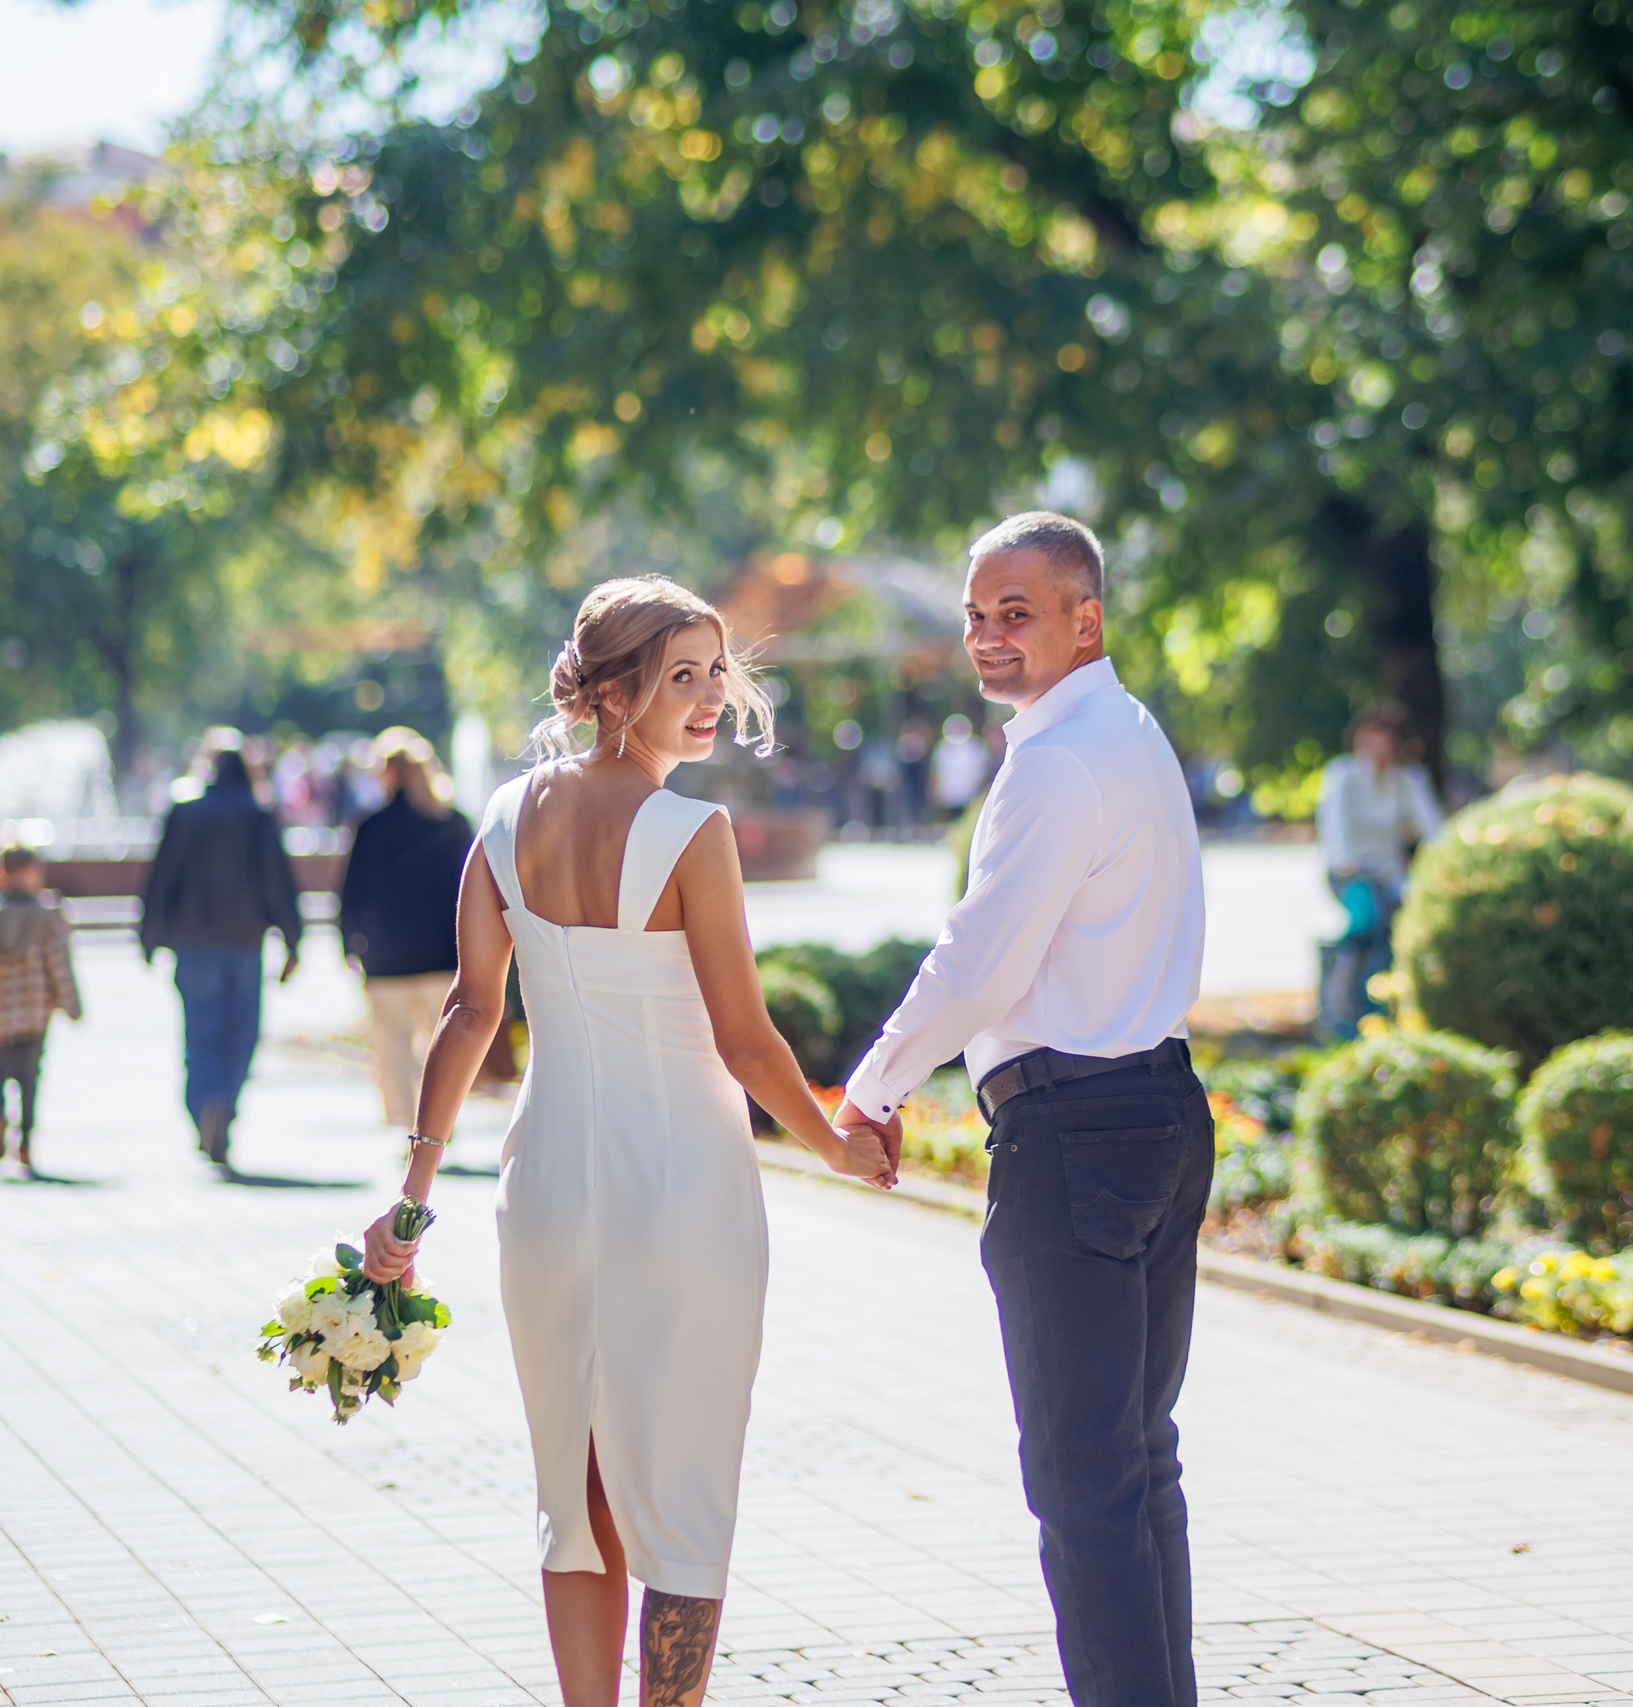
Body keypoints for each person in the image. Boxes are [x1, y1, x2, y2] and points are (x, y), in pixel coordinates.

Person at [358, 576, 892, 1707]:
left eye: (713, 673)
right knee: (686, 1487)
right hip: (682, 1189)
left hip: (545, 1187)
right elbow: (748, 1048)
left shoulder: (503, 820)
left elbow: (470, 1013)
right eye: (679, 676)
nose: (707, 700)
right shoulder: (692, 833)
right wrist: (837, 1147)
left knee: (578, 1493)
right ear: (609, 690)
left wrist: (409, 1201)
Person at [832, 512, 1211, 1707]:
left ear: (1083, 620)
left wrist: (874, 1085)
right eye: (976, 615)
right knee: (1136, 1463)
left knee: (1085, 1480)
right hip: (1157, 1110)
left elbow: (980, 959)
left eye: (1018, 614)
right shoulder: (1128, 730)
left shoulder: (1057, 757)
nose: (988, 638)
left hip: (1077, 1134)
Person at [138, 731, 303, 1168]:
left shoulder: (186, 812)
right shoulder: (258, 815)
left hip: (193, 943)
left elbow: (162, 876)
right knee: (242, 1031)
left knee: (200, 1030)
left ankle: (206, 1102)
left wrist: (149, 935)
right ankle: (225, 1100)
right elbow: (278, 881)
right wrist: (292, 938)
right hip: (245, 941)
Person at [339, 728, 481, 1123]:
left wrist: (348, 943)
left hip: (386, 956)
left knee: (392, 1047)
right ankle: (439, 1121)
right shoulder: (452, 824)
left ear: (387, 774)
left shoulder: (370, 826)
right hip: (442, 953)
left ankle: (408, 1128)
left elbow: (351, 892)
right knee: (442, 1047)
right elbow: (473, 891)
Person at [1313, 704, 1444, 1037]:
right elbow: (1335, 827)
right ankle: (1337, 1004)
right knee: (1365, 922)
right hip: (1352, 873)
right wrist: (1346, 862)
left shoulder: (1409, 780)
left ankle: (1378, 1009)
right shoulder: (1343, 774)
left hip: (1392, 877)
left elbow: (1433, 830)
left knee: (1399, 931)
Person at [0, 846, 83, 1172]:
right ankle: (25, 1144)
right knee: (29, 1078)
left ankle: (0, 1114)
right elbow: (59, 965)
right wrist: (71, 1004)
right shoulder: (46, 917)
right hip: (34, 1011)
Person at [930, 713, 992, 819]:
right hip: (948, 795)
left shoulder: (975, 746)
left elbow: (983, 769)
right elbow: (936, 771)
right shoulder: (942, 747)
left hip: (970, 795)